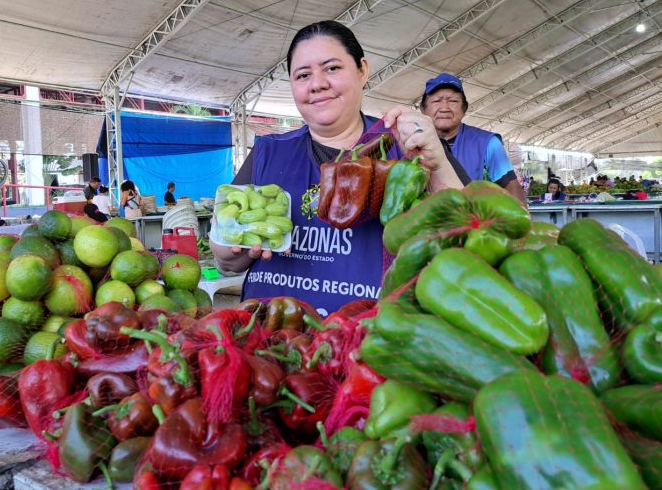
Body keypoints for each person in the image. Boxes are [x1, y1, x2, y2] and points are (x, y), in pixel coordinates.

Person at [211, 20, 467, 314]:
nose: (317, 83)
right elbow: (229, 263)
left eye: (332, 68)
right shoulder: (268, 153)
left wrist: (437, 163)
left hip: (376, 340)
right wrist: (228, 249)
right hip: (273, 342)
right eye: (303, 75)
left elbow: (465, 238)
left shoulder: (407, 146)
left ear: (362, 70)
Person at [420, 73, 526, 206]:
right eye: (436, 101)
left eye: (453, 101)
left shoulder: (488, 143)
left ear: (464, 108)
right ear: (423, 109)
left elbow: (511, 187)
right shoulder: (410, 144)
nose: (444, 108)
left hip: (475, 221)